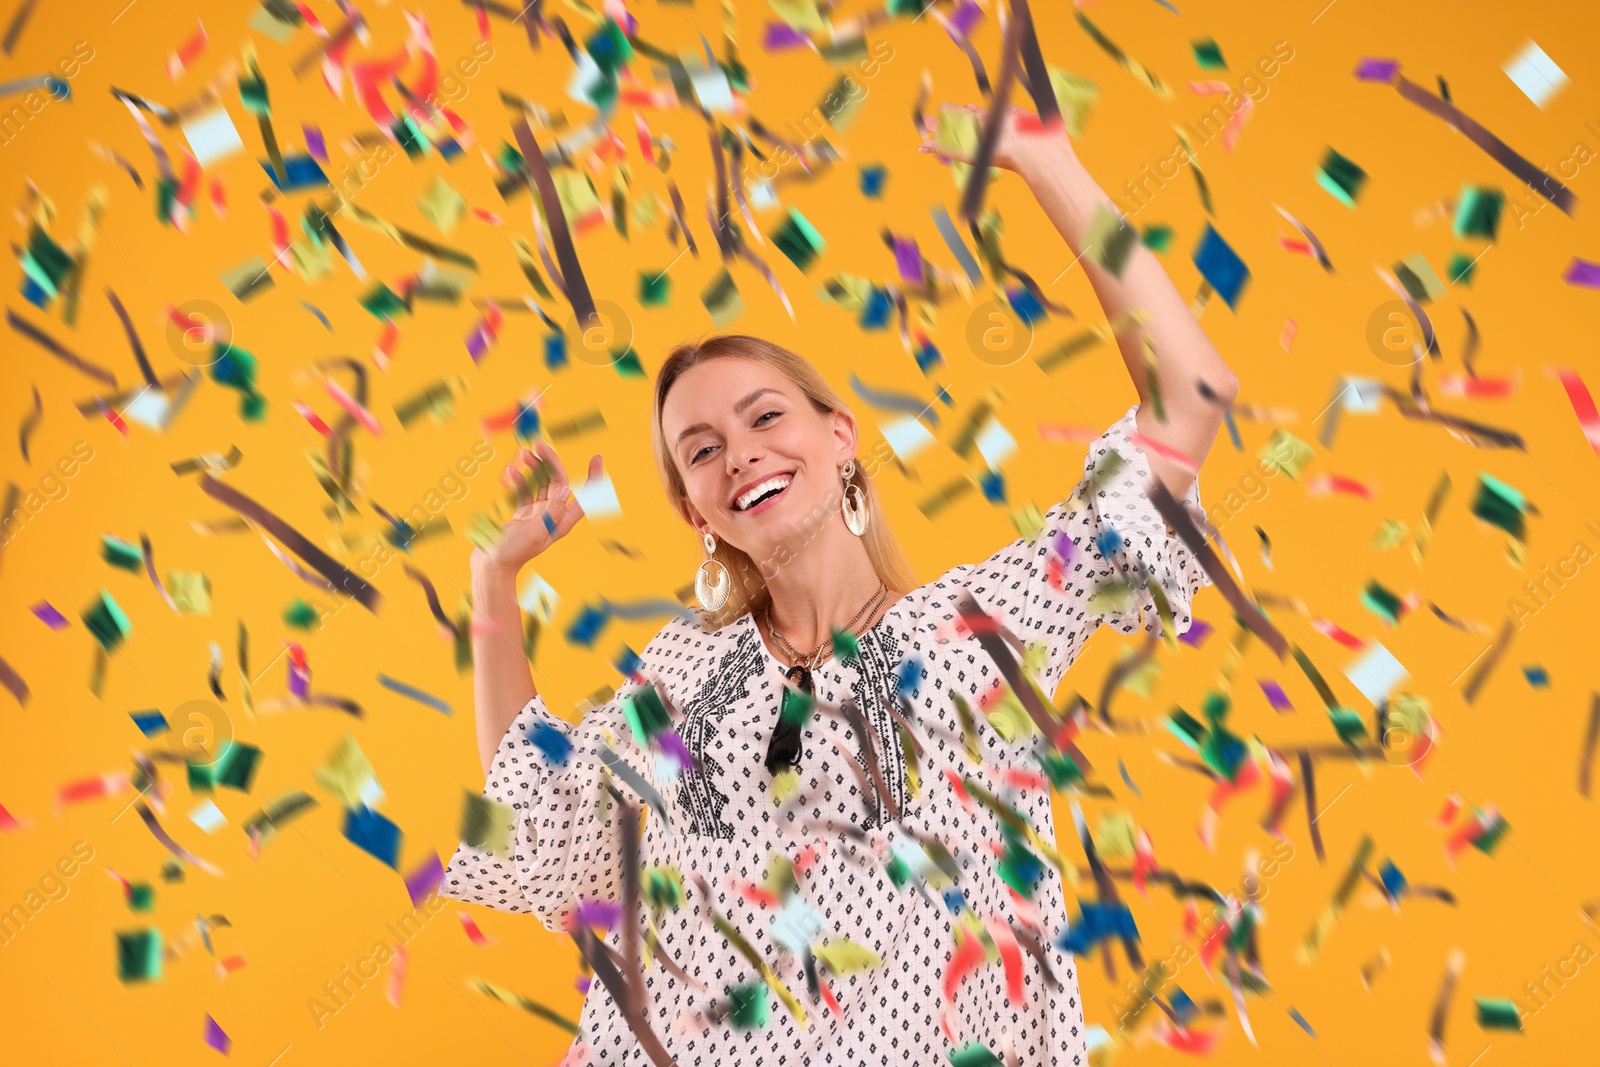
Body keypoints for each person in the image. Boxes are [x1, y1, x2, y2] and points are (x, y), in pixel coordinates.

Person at [442, 100, 1238, 1065]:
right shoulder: (687, 672)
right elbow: (544, 834)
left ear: (839, 436)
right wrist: (493, 578)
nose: (739, 455)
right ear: (696, 511)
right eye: (701, 450)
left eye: (765, 416)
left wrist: (1045, 162)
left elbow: (1189, 395)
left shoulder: (979, 631)